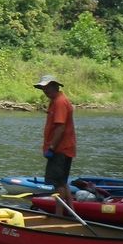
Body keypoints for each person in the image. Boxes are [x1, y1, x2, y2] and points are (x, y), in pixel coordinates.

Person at [33, 75, 76, 211]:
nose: (45, 91)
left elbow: (60, 127)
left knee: (58, 185)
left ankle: (59, 216)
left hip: (60, 150)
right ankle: (71, 212)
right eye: (43, 88)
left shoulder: (59, 102)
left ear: (55, 86)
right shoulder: (55, 101)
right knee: (62, 181)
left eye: (47, 87)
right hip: (62, 149)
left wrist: (51, 148)